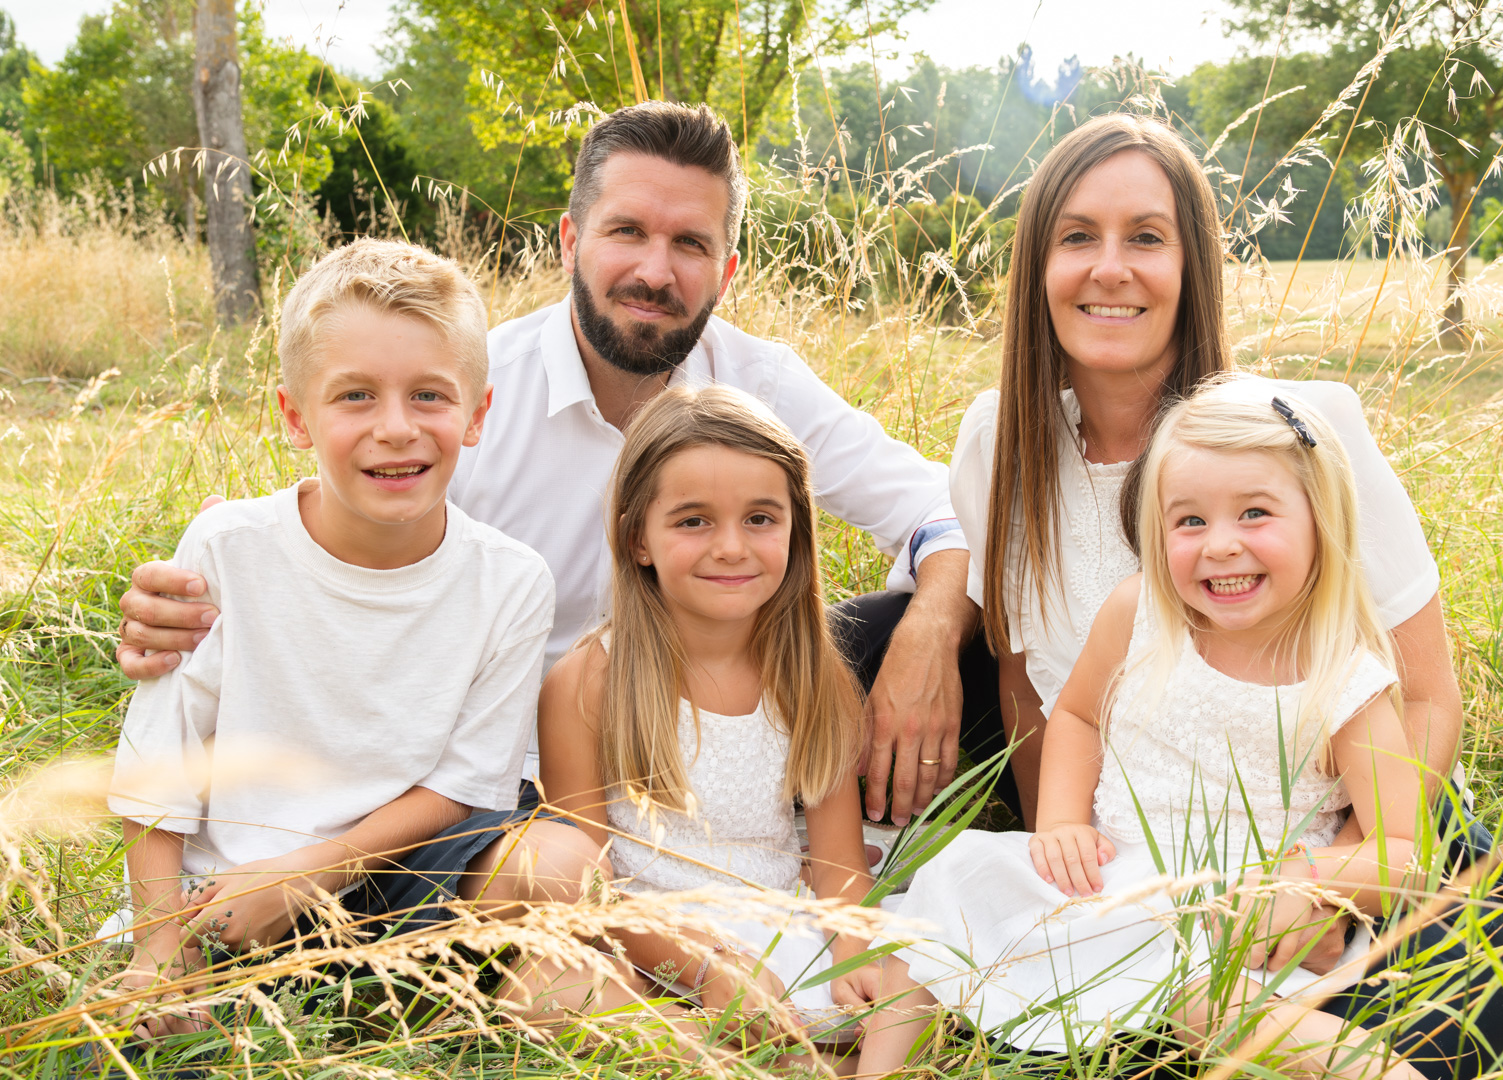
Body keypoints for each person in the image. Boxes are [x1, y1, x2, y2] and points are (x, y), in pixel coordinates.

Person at [112, 101, 995, 830]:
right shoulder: (466, 393)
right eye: (627, 232)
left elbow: (946, 509)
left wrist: (928, 634)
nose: (655, 270)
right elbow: (345, 521)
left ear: (726, 267)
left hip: (720, 727)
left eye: (689, 244)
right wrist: (196, 598)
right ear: (570, 241)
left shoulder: (759, 383)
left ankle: (1000, 842)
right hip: (520, 766)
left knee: (958, 628)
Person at [945, 113, 1503, 1075]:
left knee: (1427, 1040)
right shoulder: (999, 441)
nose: (1110, 267)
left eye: (1147, 237)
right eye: (1077, 236)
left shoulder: (1301, 432)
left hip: (1357, 834)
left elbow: (1425, 696)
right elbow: (1032, 687)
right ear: (1036, 266)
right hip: (1149, 865)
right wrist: (1066, 840)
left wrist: (1325, 883)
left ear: (1192, 264)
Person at [106, 239, 603, 1041]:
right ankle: (241, 979)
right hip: (231, 895)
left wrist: (304, 875)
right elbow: (159, 763)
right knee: (172, 1018)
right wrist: (158, 948)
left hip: (395, 870)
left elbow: (465, 787)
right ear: (297, 416)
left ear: (478, 414)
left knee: (564, 865)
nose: (396, 429)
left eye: (430, 396)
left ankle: (403, 991)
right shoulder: (228, 546)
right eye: (356, 396)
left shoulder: (511, 580)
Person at [861, 378, 1430, 1078]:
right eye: (1189, 521)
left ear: (1322, 519)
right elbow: (1075, 715)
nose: (1220, 545)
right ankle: (881, 1070)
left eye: (1255, 514)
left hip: (1228, 915)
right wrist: (1062, 823)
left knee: (1214, 1006)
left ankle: (1371, 1068)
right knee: (951, 885)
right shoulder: (1139, 614)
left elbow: (1402, 848)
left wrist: (1303, 882)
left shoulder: (1344, 678)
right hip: (1113, 880)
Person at [529, 385, 879, 1047]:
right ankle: (735, 1051)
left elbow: (838, 870)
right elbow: (586, 888)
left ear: (795, 529)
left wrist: (856, 957)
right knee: (546, 988)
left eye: (760, 519)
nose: (730, 548)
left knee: (912, 982)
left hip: (778, 927)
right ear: (639, 539)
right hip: (647, 943)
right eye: (693, 521)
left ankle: (803, 1054)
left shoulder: (815, 677)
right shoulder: (588, 682)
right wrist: (703, 966)